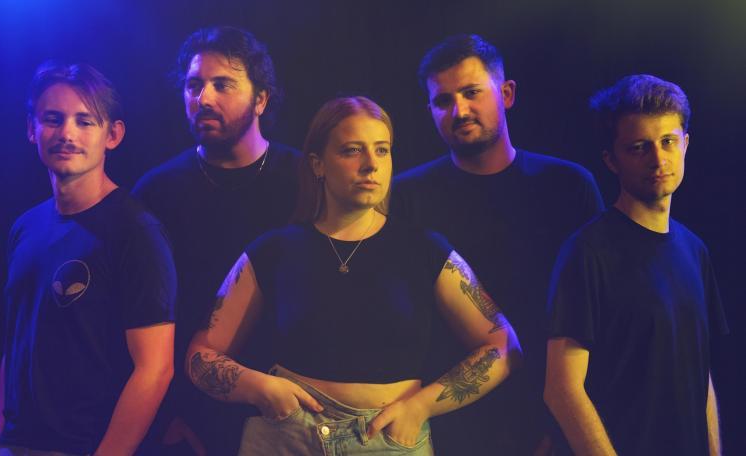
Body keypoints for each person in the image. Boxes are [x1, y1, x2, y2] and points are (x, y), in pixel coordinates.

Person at [186, 96, 521, 455]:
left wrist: (421, 407)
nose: (370, 165)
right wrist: (260, 388)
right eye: (352, 150)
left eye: (382, 150)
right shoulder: (274, 251)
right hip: (289, 436)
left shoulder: (425, 250)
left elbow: (503, 346)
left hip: (387, 439)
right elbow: (200, 355)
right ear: (318, 164)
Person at [390, 34, 604, 454]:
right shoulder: (406, 196)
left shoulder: (567, 186)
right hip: (444, 419)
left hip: (552, 411)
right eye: (443, 100)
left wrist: (561, 427)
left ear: (506, 94)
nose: (459, 110)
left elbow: (598, 313)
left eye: (472, 93)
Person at [0, 61, 176, 455]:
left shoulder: (135, 230)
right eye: (53, 119)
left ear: (113, 134)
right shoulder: (25, 228)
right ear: (31, 128)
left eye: (85, 121)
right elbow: (16, 346)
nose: (67, 133)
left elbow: (155, 368)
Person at [133, 26, 301, 454]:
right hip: (189, 415)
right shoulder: (156, 193)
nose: (202, 99)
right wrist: (169, 416)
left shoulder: (305, 181)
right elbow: (138, 318)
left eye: (221, 84)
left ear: (261, 98)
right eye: (193, 85)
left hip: (293, 411)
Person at [544, 74, 728, 455]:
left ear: (686, 144)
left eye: (668, 142)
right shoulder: (587, 252)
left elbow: (700, 375)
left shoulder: (695, 250)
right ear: (612, 160)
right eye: (640, 147)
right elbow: (562, 390)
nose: (658, 159)